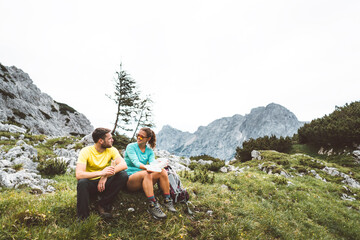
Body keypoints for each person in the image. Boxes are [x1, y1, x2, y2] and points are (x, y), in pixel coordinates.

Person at [76, 128, 128, 219]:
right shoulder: (86, 151)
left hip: (104, 183)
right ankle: (83, 218)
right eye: (109, 139)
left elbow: (123, 165)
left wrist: (105, 175)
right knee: (82, 182)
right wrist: (101, 173)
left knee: (123, 175)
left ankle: (102, 204)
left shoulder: (112, 149)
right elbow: (79, 174)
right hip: (91, 184)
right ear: (101, 141)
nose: (112, 140)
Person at [124, 127, 176, 219]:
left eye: (141, 136)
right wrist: (149, 168)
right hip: (131, 179)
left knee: (162, 171)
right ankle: (152, 204)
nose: (138, 138)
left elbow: (153, 163)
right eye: (138, 135)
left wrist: (160, 164)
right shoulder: (131, 147)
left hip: (144, 179)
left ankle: (167, 200)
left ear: (148, 139)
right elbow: (136, 163)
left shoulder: (149, 151)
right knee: (147, 173)